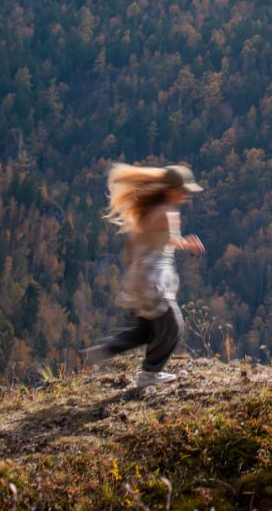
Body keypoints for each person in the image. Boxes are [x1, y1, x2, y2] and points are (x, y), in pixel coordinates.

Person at [83, 162, 205, 386]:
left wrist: (185, 244)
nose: (187, 196)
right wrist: (140, 276)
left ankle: (99, 352)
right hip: (151, 277)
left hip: (149, 275)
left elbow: (158, 238)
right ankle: (150, 374)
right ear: (171, 190)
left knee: (145, 330)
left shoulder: (163, 210)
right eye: (184, 191)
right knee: (173, 325)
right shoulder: (164, 212)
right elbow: (137, 239)